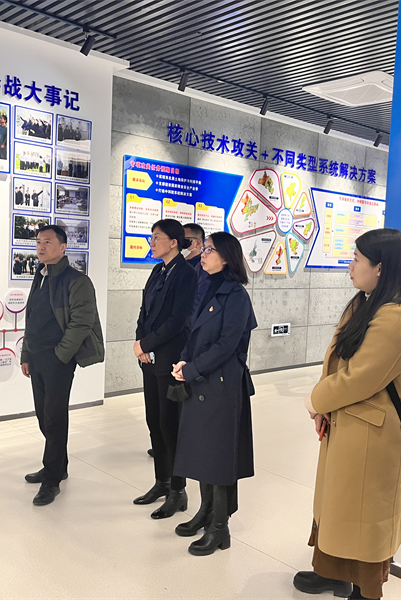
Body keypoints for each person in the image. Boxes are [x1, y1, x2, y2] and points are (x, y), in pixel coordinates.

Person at [293, 228, 401, 600]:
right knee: (340, 510)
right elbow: (337, 362)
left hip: (372, 436)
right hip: (350, 426)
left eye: (356, 259)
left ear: (380, 267)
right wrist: (325, 405)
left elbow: (360, 377)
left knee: (363, 519)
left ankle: (365, 590)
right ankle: (334, 572)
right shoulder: (367, 302)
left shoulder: (397, 316)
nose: (350, 266)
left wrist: (316, 401)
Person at [171, 231, 257, 556]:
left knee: (219, 458)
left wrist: (192, 369)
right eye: (204, 248)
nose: (203, 254)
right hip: (200, 381)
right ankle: (205, 512)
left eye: (209, 250)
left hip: (222, 386)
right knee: (200, 452)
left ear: (226, 258)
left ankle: (220, 527)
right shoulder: (206, 286)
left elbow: (227, 345)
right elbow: (192, 334)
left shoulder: (236, 296)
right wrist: (183, 361)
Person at [20, 225, 105, 506]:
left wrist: (60, 356)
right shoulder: (40, 275)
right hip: (37, 356)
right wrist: (26, 354)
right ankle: (59, 465)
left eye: (47, 242)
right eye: (38, 242)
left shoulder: (77, 281)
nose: (41, 246)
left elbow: (82, 322)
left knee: (54, 419)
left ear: (63, 247)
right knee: (43, 416)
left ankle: (52, 479)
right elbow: (31, 318)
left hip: (58, 359)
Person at [132, 220, 198, 518]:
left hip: (170, 359)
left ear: (173, 242)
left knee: (170, 424)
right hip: (150, 359)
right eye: (151, 237)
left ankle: (178, 491)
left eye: (156, 237)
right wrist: (141, 344)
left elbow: (178, 320)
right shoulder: (158, 271)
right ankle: (162, 481)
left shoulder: (186, 274)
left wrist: (147, 344)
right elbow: (144, 312)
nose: (152, 242)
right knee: (154, 421)